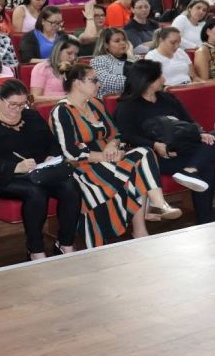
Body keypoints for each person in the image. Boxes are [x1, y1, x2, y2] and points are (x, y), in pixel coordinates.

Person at [50, 63, 179, 248]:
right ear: (77, 83)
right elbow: (70, 152)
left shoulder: (95, 104)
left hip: (110, 161)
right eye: (94, 80)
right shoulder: (62, 111)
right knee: (139, 163)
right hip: (83, 168)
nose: (99, 84)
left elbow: (116, 134)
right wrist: (105, 156)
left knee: (144, 153)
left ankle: (154, 210)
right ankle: (147, 219)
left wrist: (111, 145)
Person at [0, 79, 82, 259]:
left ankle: (65, 242)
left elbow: (52, 143)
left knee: (70, 188)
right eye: (13, 104)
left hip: (40, 172)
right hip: (4, 177)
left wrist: (50, 156)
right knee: (35, 192)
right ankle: (35, 248)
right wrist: (14, 167)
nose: (18, 109)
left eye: (23, 104)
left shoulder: (31, 116)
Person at [114, 60, 215, 223]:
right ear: (148, 81)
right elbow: (128, 136)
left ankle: (190, 170)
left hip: (185, 146)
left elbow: (188, 121)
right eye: (160, 76)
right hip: (158, 157)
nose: (164, 80)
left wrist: (200, 133)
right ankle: (205, 220)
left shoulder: (167, 98)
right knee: (207, 166)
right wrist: (155, 145)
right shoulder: (127, 106)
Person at [90, 27, 132, 98]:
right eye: (117, 41)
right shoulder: (99, 60)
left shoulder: (133, 59)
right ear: (106, 45)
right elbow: (106, 81)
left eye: (123, 40)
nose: (122, 43)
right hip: (109, 103)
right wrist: (137, 80)